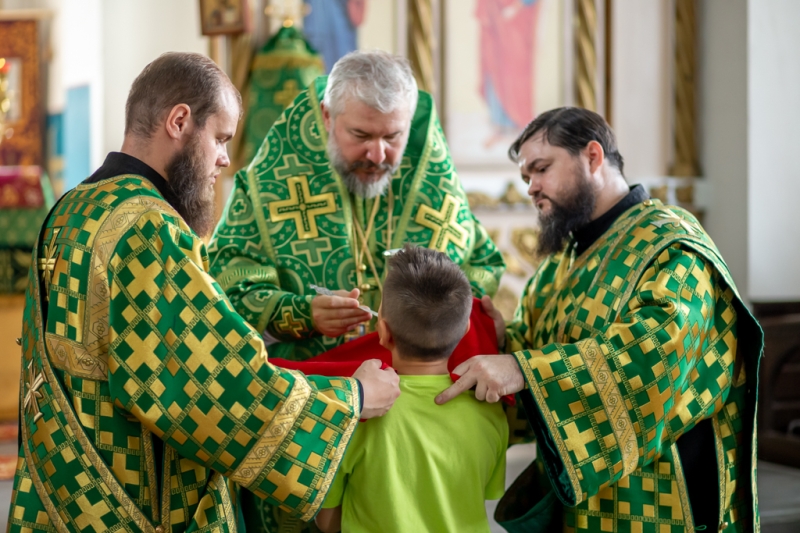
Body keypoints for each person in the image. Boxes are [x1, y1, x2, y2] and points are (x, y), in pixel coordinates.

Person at [6, 52, 399, 533]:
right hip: (135, 502)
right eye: (220, 138)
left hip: (63, 496)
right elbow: (215, 383)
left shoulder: (71, 209)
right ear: (179, 121)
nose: (224, 159)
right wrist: (353, 397)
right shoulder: (147, 227)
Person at [435, 107, 763, 532]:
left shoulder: (670, 242)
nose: (531, 187)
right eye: (525, 177)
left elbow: (657, 354)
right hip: (585, 503)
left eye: (541, 168)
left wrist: (521, 368)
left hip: (660, 497)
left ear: (592, 157)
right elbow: (532, 351)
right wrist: (501, 341)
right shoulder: (561, 265)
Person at [314, 245, 508, 533]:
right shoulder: (490, 410)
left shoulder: (357, 411)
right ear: (467, 329)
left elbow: (328, 523)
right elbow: (487, 493)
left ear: (383, 332)